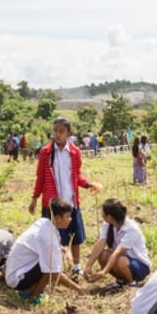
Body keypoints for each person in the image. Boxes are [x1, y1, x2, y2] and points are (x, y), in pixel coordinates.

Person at [29, 118, 101, 277]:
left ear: (69, 133)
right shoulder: (45, 153)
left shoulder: (75, 152)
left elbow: (76, 176)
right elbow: (40, 177)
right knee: (51, 238)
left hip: (70, 202)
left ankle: (76, 266)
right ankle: (55, 268)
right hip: (52, 204)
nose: (58, 134)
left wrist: (88, 184)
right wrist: (34, 198)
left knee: (75, 236)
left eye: (61, 131)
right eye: (55, 131)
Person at [5, 197, 88, 302]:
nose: (70, 219)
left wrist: (65, 250)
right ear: (57, 218)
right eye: (68, 216)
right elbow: (54, 273)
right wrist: (78, 289)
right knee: (50, 266)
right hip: (18, 279)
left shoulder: (44, 222)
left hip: (15, 272)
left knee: (53, 259)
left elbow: (55, 247)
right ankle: (34, 296)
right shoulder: (48, 237)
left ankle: (30, 289)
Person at [82, 199, 152, 288]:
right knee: (103, 255)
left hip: (139, 266)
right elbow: (101, 242)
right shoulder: (108, 224)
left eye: (103, 212)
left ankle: (131, 283)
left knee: (119, 260)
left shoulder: (131, 229)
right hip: (122, 260)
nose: (101, 214)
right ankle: (121, 280)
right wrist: (89, 266)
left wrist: (104, 272)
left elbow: (117, 253)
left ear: (109, 216)